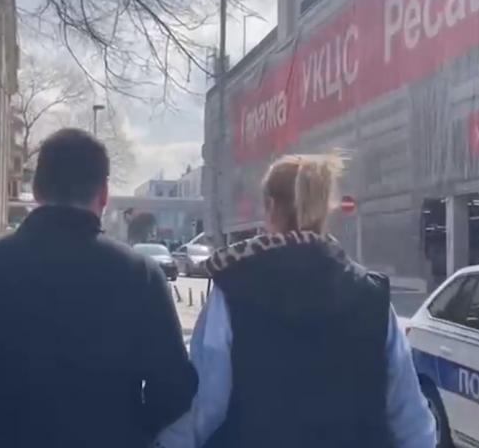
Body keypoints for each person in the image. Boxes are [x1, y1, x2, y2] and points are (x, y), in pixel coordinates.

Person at [0, 128, 197, 448]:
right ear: (103, 194)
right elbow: (175, 386)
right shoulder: (141, 276)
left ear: (37, 190)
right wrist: (130, 429)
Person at [157, 154, 436, 448]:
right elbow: (411, 420)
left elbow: (206, 404)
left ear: (270, 207)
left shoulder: (233, 289)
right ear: (325, 210)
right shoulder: (371, 295)